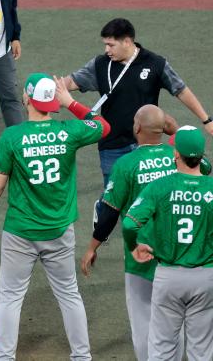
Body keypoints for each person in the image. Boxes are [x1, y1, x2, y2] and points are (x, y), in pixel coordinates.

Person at [0, 73, 112, 360]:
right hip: (59, 231)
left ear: (27, 100)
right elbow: (103, 126)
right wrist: (70, 102)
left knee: (10, 298)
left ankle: (5, 357)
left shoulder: (13, 137)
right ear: (51, 102)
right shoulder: (69, 132)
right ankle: (82, 357)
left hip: (20, 232)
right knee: (69, 295)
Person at [80, 105, 181, 360]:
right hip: (179, 253)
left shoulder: (127, 164)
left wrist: (93, 246)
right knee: (176, 321)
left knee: (143, 321)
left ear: (136, 128)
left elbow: (109, 213)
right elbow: (203, 166)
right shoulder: (177, 156)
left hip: (141, 256)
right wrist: (176, 132)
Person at [63, 18, 213, 187]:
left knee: (151, 197)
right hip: (112, 147)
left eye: (111, 45)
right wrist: (48, 89)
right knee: (113, 201)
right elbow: (71, 82)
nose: (107, 50)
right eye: (105, 45)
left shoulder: (155, 63)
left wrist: (206, 120)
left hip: (147, 146)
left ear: (127, 41)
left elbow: (181, 90)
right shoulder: (101, 64)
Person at [123, 125, 213, 361]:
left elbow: (130, 224)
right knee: (202, 351)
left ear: (176, 154)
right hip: (206, 277)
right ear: (201, 155)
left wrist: (134, 247)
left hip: (168, 277)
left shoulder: (159, 187)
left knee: (162, 349)